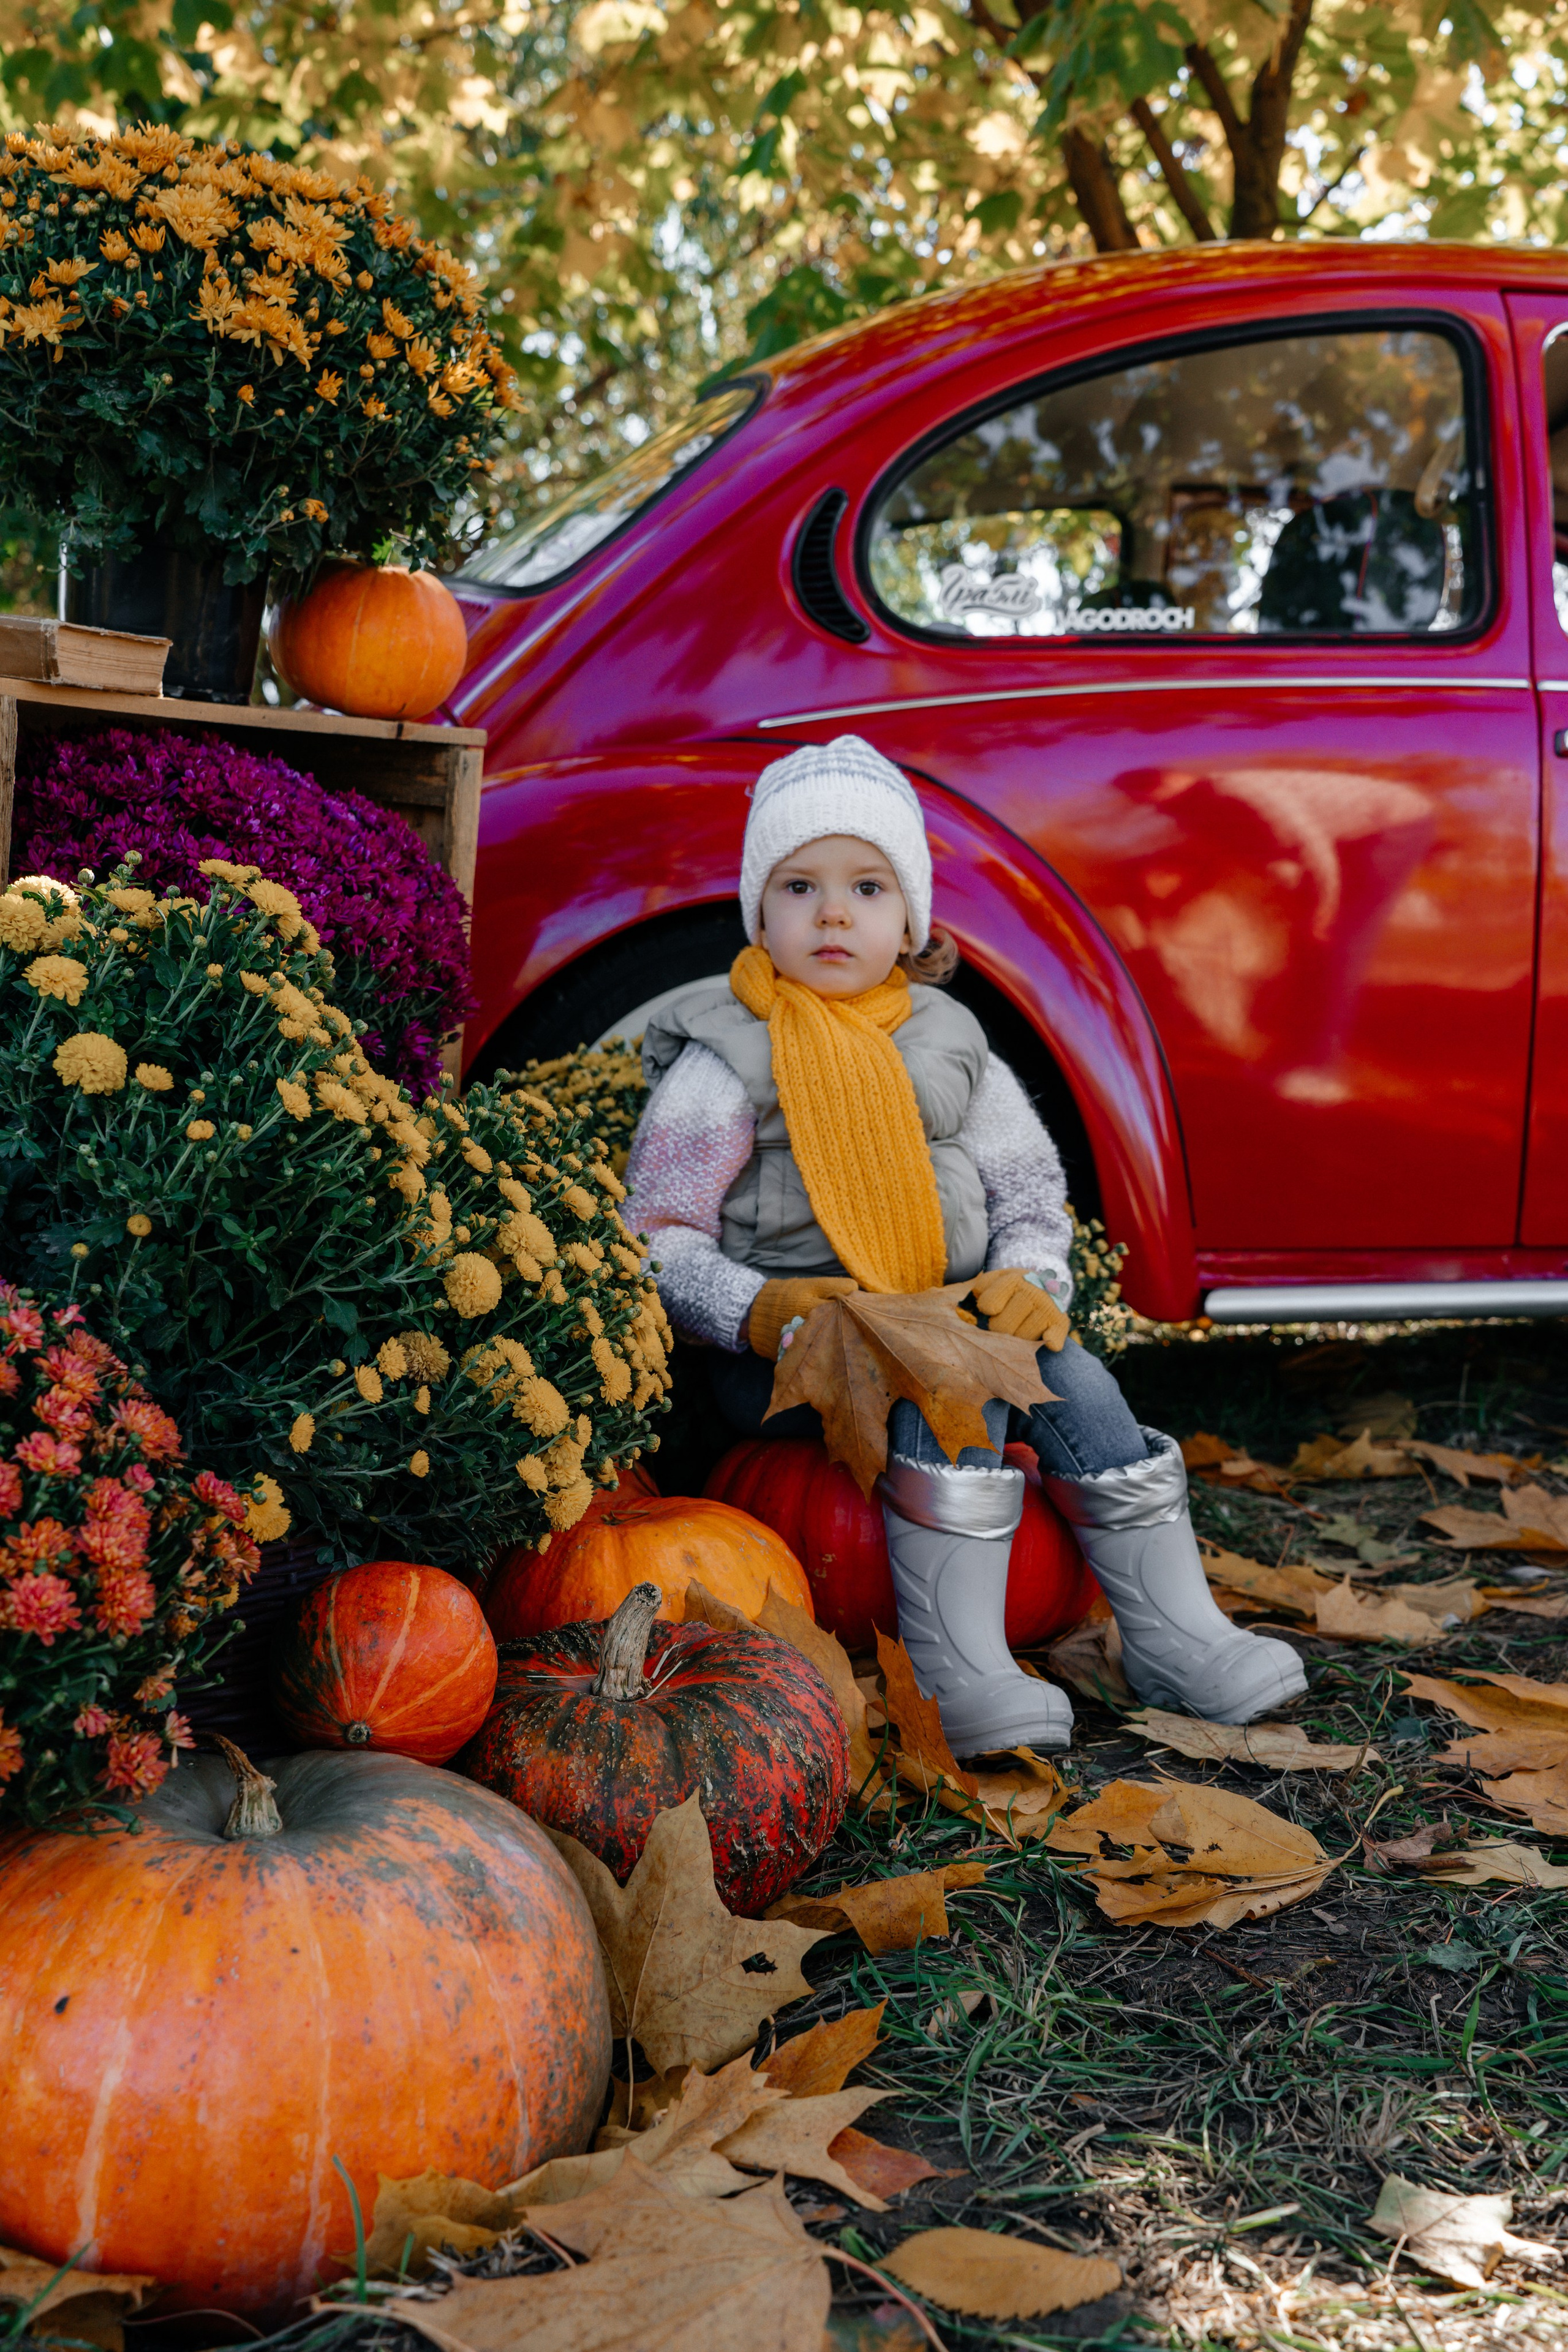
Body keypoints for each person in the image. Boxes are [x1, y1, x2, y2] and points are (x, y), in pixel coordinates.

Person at [623, 735, 1306, 1755]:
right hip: (787, 1352)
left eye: (868, 886)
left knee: (1078, 1382)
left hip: (946, 1323)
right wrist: (750, 1308)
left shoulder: (952, 1044)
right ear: (760, 914)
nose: (835, 913)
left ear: (912, 921)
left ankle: (1175, 1635)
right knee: (959, 1381)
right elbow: (657, 1231)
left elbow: (1029, 1190)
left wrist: (1033, 1283)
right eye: (800, 886)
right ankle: (960, 1668)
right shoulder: (726, 1055)